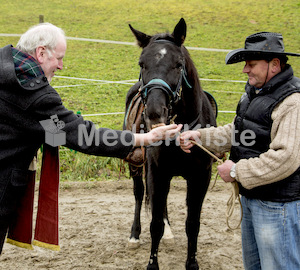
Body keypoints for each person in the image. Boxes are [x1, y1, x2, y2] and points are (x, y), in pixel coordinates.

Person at [0, 23, 182, 254]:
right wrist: (145, 138)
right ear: (41, 53)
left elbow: (54, 131)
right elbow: (85, 137)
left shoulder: (4, 65)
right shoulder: (33, 94)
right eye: (59, 58)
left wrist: (63, 127)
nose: (61, 66)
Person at [180, 32, 300, 270]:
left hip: (278, 207)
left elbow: (286, 157)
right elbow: (237, 131)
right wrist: (201, 136)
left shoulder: (292, 102)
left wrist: (237, 171)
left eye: (251, 64)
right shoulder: (254, 94)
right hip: (253, 199)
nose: (245, 70)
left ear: (274, 65)